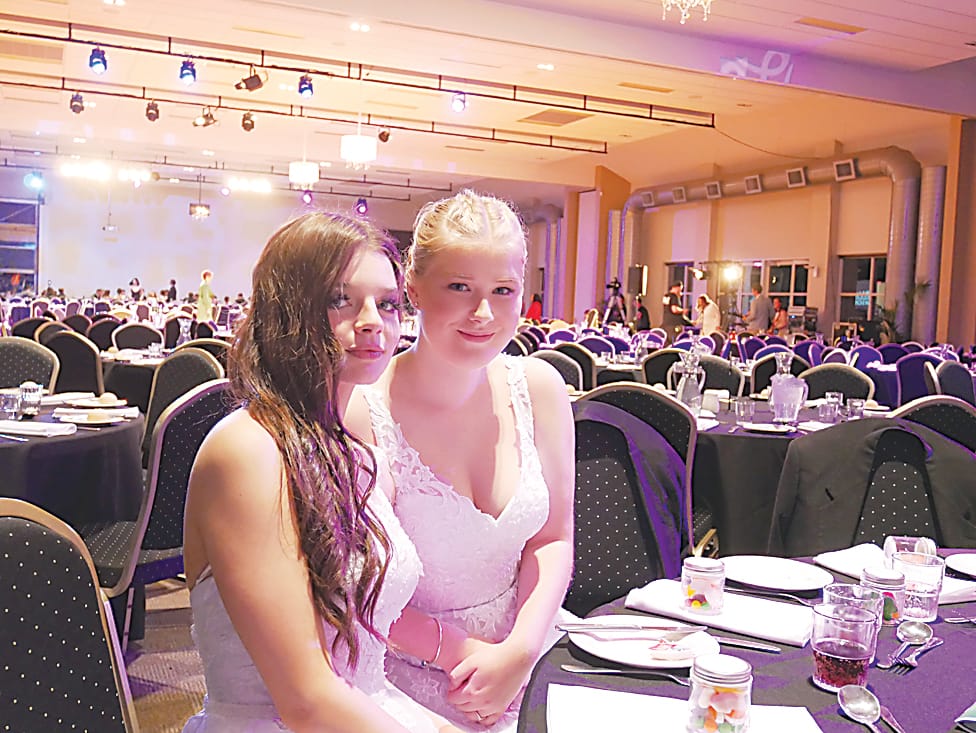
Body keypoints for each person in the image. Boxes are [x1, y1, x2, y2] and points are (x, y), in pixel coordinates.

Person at [181, 212, 461, 733]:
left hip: (367, 707)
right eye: (341, 300)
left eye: (388, 302)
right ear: (287, 313)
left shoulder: (355, 444)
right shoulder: (248, 450)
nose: (374, 320)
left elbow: (365, 639)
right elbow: (305, 701)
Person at [346, 190, 575, 731]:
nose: (484, 313)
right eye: (459, 288)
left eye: (503, 290)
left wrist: (518, 652)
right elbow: (356, 592)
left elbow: (553, 537)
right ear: (414, 288)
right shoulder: (363, 409)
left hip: (531, 646)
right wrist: (469, 658)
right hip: (416, 669)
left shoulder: (540, 387)